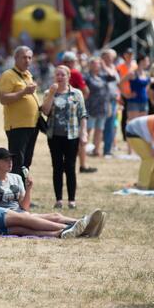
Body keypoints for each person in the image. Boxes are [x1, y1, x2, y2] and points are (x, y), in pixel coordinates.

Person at [0, 147, 107, 237]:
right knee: (25, 227)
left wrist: (29, 189)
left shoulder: (16, 177)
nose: (10, 162)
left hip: (21, 213)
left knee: (55, 216)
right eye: (5, 160)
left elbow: (25, 207)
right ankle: (72, 228)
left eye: (11, 159)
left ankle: (83, 223)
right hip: (4, 217)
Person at [41, 65, 88, 209]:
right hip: (54, 135)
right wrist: (51, 94)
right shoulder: (48, 92)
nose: (60, 77)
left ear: (68, 77)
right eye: (57, 75)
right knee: (57, 167)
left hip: (72, 136)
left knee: (70, 167)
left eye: (63, 75)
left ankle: (72, 200)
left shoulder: (76, 94)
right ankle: (59, 199)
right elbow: (45, 112)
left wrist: (84, 133)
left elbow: (83, 114)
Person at [0, 46, 39, 177]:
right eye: (24, 57)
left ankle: (24, 193)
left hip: (32, 125)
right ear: (16, 58)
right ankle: (17, 194)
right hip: (17, 125)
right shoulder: (8, 75)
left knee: (27, 162)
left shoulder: (28, 75)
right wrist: (23, 92)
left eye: (29, 57)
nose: (27, 60)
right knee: (17, 163)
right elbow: (3, 99)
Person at [84, 57, 110, 158]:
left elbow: (113, 77)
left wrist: (105, 66)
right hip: (91, 107)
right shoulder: (87, 77)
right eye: (95, 63)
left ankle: (96, 150)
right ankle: (83, 149)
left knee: (99, 130)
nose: (97, 65)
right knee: (88, 129)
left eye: (99, 64)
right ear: (90, 65)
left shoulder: (103, 76)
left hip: (102, 107)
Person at [100, 49, 120, 157]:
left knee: (110, 125)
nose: (111, 59)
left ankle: (107, 149)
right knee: (100, 125)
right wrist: (104, 67)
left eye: (112, 57)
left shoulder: (113, 68)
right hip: (103, 100)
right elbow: (111, 77)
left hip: (112, 99)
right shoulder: (101, 69)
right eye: (108, 56)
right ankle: (98, 148)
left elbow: (117, 81)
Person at [116, 48, 137, 148]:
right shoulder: (120, 67)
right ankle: (125, 136)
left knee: (132, 116)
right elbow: (118, 82)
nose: (130, 56)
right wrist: (121, 95)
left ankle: (132, 135)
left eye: (131, 54)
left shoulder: (135, 66)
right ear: (124, 55)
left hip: (133, 94)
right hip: (124, 94)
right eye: (128, 54)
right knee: (124, 116)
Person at [124, 53, 151, 121]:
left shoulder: (146, 73)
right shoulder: (132, 73)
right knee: (133, 123)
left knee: (142, 123)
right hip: (134, 102)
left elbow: (147, 87)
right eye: (147, 61)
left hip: (144, 101)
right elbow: (120, 83)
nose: (148, 63)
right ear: (141, 61)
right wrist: (126, 95)